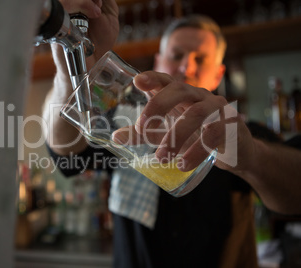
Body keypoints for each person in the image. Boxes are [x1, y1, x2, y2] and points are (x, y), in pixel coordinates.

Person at [42, 1, 301, 267]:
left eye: (200, 59)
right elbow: (64, 153)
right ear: (159, 62)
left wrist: (253, 157)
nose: (186, 67)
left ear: (217, 75)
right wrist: (70, 71)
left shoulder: (242, 134)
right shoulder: (124, 123)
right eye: (177, 55)